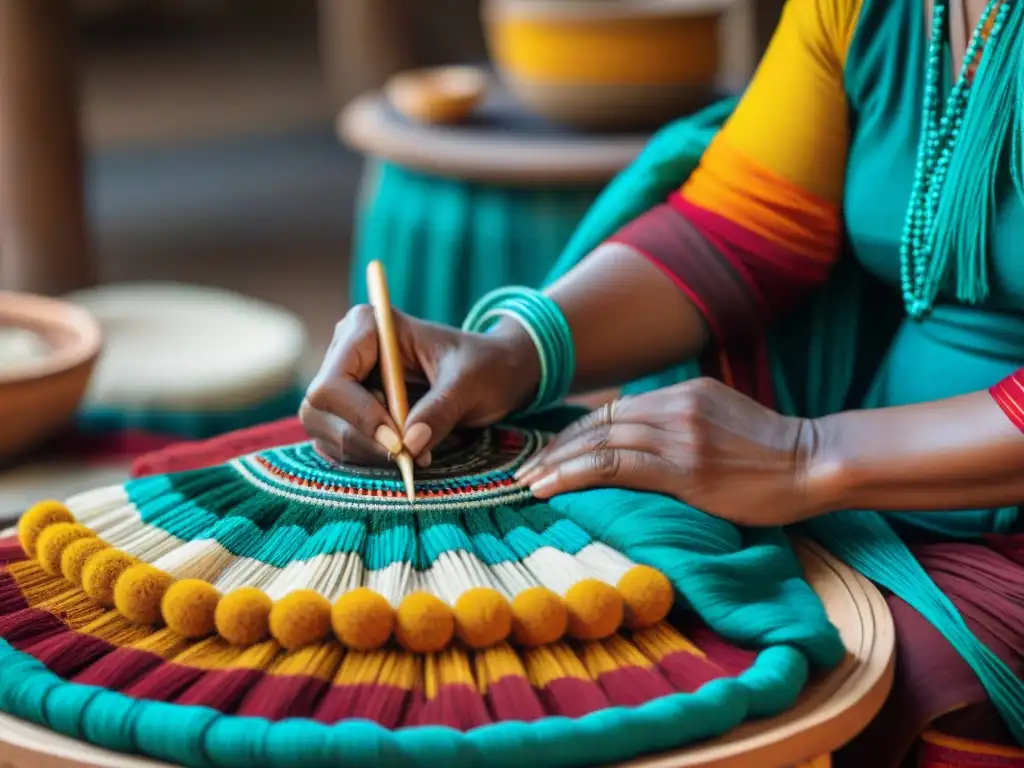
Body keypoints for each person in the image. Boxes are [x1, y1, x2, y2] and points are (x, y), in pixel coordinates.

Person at [302, 0, 1024, 765]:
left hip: (933, 511)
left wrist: (805, 456)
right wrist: (513, 354)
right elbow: (743, 228)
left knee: (863, 680)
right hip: (865, 494)